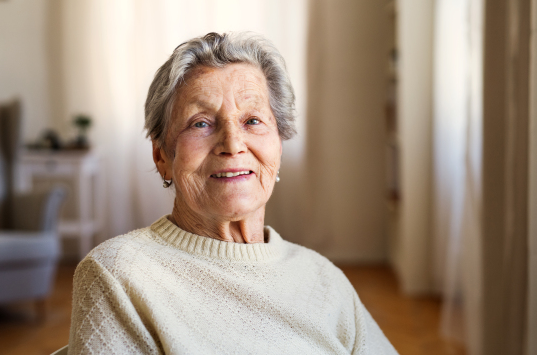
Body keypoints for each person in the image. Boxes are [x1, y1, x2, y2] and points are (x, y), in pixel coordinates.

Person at [68, 32, 398, 354]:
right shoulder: (118, 274)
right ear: (162, 158)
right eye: (200, 123)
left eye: (252, 120)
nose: (232, 144)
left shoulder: (324, 279)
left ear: (278, 149)